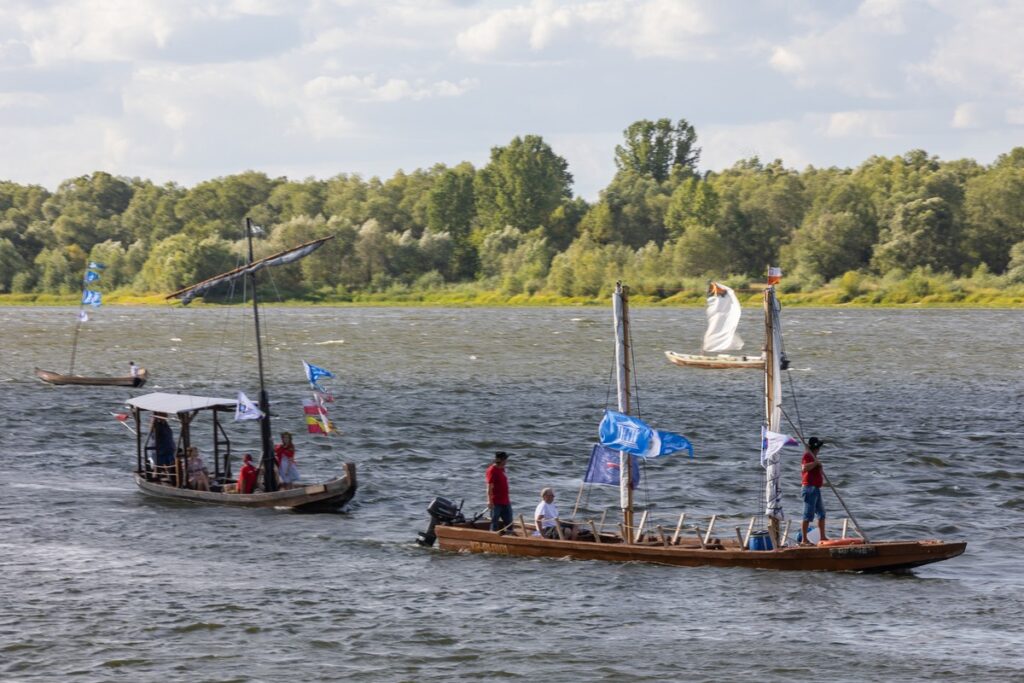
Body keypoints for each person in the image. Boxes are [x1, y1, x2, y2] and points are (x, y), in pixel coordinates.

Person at [800, 436, 828, 545]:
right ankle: (804, 539)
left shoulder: (814, 458)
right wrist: (816, 463)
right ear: (815, 448)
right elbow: (804, 468)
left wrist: (820, 467)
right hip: (809, 488)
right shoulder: (807, 456)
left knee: (821, 513)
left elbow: (817, 473)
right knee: (807, 514)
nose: (819, 450)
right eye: (818, 448)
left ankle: (822, 537)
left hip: (816, 488)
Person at [486, 451, 513, 533]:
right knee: (494, 522)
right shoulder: (492, 470)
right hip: (496, 502)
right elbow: (489, 487)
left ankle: (509, 537)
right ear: (500, 460)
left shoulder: (502, 469)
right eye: (505, 459)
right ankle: (492, 539)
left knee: (509, 521)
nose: (506, 461)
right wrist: (489, 501)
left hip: (505, 501)